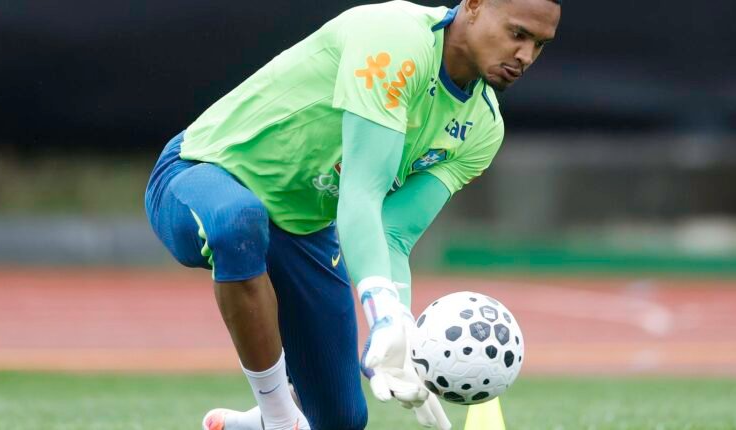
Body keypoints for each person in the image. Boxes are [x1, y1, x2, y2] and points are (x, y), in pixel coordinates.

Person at [144, 0, 560, 428]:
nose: (526, 56)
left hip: (300, 228)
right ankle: (277, 415)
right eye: (517, 34)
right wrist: (380, 310)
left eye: (540, 45)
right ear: (473, 6)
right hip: (199, 173)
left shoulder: (484, 129)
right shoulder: (396, 37)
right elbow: (362, 190)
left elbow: (391, 232)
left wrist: (399, 331)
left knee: (341, 420)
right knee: (237, 222)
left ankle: (254, 424)